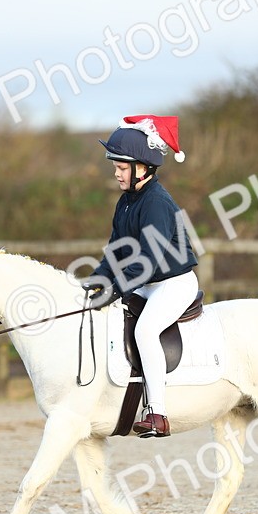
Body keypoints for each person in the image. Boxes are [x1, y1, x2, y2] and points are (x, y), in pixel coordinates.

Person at [82, 115, 198, 438]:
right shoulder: (126, 201)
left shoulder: (157, 203)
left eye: (121, 168)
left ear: (143, 168)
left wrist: (115, 288)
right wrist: (96, 282)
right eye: (116, 167)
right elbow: (115, 251)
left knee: (146, 330)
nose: (116, 173)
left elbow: (146, 260)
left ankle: (157, 413)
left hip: (173, 284)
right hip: (146, 284)